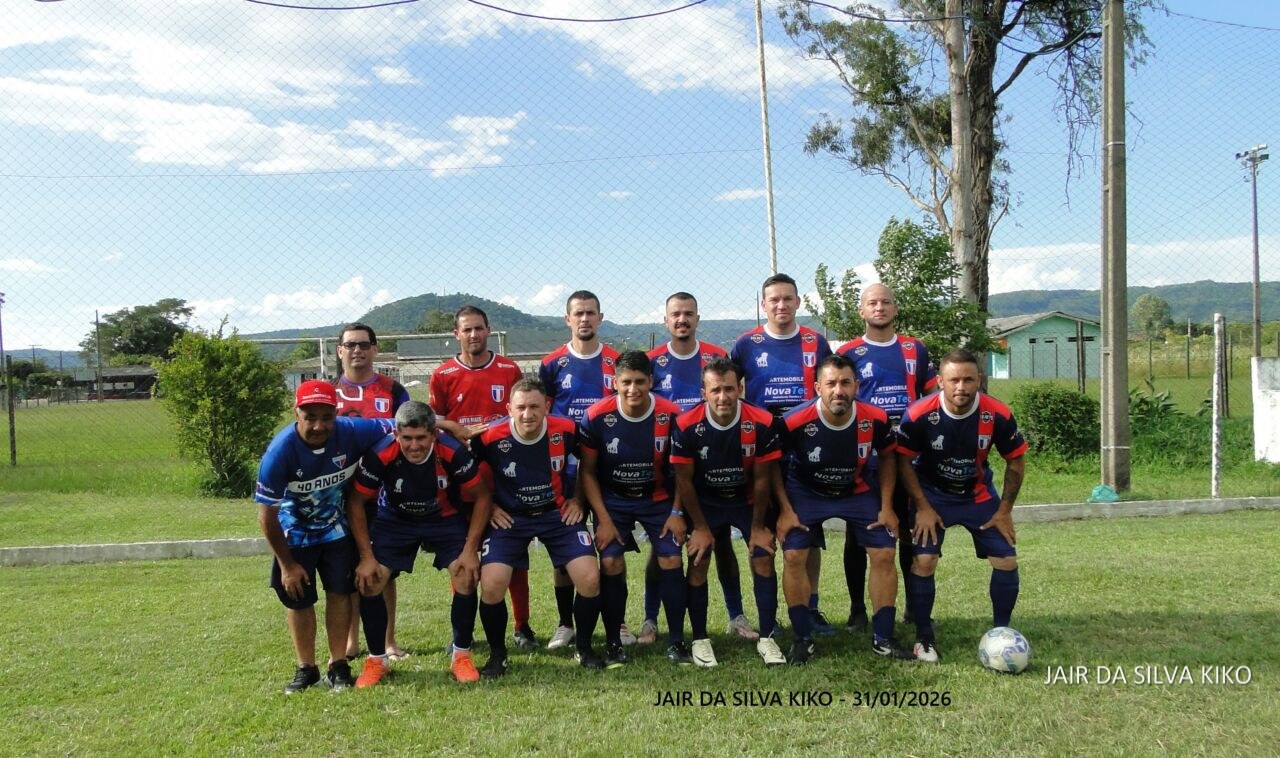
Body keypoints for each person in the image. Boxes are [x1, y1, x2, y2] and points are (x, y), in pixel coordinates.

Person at [254, 380, 394, 694]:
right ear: (297, 413)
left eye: (327, 417)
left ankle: (338, 665)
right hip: (295, 536)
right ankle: (306, 668)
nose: (319, 426)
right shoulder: (279, 452)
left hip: (336, 531)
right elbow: (266, 517)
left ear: (336, 414)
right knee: (298, 599)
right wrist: (287, 565)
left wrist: (447, 426)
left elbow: (404, 423)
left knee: (340, 594)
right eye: (310, 417)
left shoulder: (352, 431)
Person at [774, 355, 915, 664]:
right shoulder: (794, 421)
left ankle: (883, 638)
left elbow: (888, 457)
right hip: (807, 492)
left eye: (845, 383)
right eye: (831, 384)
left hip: (857, 490)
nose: (838, 390)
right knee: (794, 555)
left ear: (857, 386)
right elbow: (772, 464)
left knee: (884, 552)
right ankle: (802, 639)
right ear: (817, 388)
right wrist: (784, 509)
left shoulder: (875, 418)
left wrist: (887, 507)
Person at [345, 401, 493, 687]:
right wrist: (366, 556)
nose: (414, 445)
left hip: (443, 518)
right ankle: (377, 661)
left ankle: (461, 656)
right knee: (371, 580)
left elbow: (482, 495)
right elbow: (356, 501)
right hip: (396, 520)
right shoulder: (381, 453)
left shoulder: (452, 451)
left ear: (434, 434)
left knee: (466, 574)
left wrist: (469, 550)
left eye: (421, 438)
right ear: (397, 434)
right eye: (407, 438)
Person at [895, 348, 1027, 664]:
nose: (961, 387)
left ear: (979, 380)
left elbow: (1016, 461)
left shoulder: (997, 414)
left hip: (977, 496)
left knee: (1006, 560)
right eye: (954, 380)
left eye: (968, 380)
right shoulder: (919, 414)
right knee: (924, 561)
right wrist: (922, 507)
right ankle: (923, 637)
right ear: (940, 381)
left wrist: (1004, 510)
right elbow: (903, 462)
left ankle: (1001, 633)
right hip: (932, 497)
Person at [472, 377, 605, 676]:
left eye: (534, 407)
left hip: (556, 515)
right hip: (511, 519)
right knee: (491, 584)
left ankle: (584, 648)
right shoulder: (490, 437)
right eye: (520, 408)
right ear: (509, 409)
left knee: (589, 578)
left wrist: (578, 499)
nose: (527, 414)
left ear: (547, 406)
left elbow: (588, 464)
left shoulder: (566, 430)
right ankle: (498, 656)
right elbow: (466, 473)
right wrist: (489, 506)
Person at [644, 293, 756, 646]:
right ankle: (650, 618)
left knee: (720, 542)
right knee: (663, 545)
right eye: (675, 314)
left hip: (710, 462)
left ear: (697, 318)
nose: (682, 319)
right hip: (664, 462)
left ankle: (736, 615)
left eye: (688, 313)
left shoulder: (716, 356)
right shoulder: (652, 361)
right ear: (665, 320)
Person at [730, 273, 835, 635]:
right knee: (762, 534)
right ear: (764, 305)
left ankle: (811, 607)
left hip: (805, 448)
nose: (781, 305)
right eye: (773, 299)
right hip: (760, 449)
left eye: (787, 298)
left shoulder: (816, 342)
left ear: (798, 302)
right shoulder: (746, 344)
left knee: (807, 533)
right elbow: (730, 388)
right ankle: (768, 615)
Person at [428, 305, 536, 651]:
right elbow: (433, 422)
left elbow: (521, 418)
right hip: (463, 480)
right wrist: (456, 428)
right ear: (456, 334)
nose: (473, 334)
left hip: (505, 478)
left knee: (513, 557)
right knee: (464, 556)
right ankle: (463, 633)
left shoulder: (508, 369)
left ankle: (522, 627)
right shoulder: (443, 374)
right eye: (467, 329)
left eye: (479, 328)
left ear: (489, 330)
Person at [671, 357, 787, 667]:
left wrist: (759, 527)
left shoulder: (762, 422)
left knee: (762, 556)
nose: (723, 397)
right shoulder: (685, 424)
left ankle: (767, 638)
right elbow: (684, 481)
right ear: (703, 393)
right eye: (715, 390)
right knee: (699, 559)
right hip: (706, 503)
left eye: (729, 389)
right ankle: (700, 639)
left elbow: (762, 480)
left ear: (740, 389)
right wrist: (699, 528)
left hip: (747, 501)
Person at [578, 351, 690, 667]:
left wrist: (677, 513)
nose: (633, 389)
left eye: (640, 381)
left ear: (651, 381)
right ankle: (614, 642)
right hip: (614, 501)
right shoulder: (596, 416)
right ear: (615, 383)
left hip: (658, 499)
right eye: (626, 382)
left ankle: (677, 641)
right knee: (610, 561)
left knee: (671, 558)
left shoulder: (672, 414)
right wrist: (602, 519)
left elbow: (683, 470)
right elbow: (587, 472)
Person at [837, 284, 938, 633]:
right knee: (858, 534)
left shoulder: (914, 349)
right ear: (862, 311)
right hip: (865, 457)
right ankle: (857, 610)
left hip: (907, 453)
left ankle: (913, 606)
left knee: (910, 530)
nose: (879, 307)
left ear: (895, 309)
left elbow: (931, 397)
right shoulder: (849, 351)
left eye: (885, 302)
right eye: (872, 303)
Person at [537, 290, 629, 649]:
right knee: (565, 551)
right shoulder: (552, 364)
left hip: (607, 468)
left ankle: (618, 622)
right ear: (568, 319)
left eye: (591, 313)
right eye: (579, 313)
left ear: (600, 318)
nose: (585, 319)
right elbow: (543, 414)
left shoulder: (615, 361)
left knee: (612, 548)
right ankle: (566, 623)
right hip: (564, 471)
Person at [332, 323, 412, 662]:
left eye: (364, 344)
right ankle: (351, 642)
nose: (357, 351)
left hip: (384, 495)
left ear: (375, 349)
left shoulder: (393, 390)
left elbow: (410, 432)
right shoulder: (330, 392)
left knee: (384, 568)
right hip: (339, 495)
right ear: (339, 350)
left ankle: (389, 640)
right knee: (348, 568)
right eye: (350, 345)